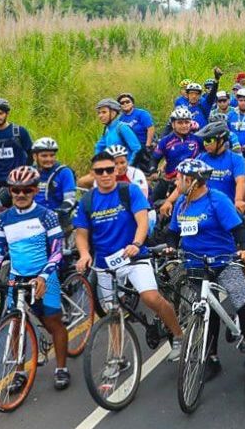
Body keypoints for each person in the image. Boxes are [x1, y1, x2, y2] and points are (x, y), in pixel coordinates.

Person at [74, 152, 182, 364]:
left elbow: (142, 222)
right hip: (105, 264)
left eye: (109, 169)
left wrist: (136, 244)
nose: (105, 174)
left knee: (151, 298)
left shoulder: (129, 191)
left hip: (133, 258)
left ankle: (178, 334)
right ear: (92, 174)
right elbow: (81, 233)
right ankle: (116, 358)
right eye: (99, 171)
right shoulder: (87, 201)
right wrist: (85, 254)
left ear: (116, 171)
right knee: (112, 312)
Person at [0, 166, 69, 389]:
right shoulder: (3, 220)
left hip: (45, 275)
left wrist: (43, 277)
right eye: (16, 190)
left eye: (27, 189)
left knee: (53, 323)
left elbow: (56, 252)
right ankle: (18, 372)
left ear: (35, 190)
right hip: (17, 277)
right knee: (15, 324)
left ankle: (61, 368)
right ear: (10, 191)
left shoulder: (47, 215)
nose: (21, 194)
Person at [165, 159, 245, 379]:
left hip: (222, 261)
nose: (176, 182)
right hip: (195, 264)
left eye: (179, 178)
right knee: (208, 311)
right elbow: (174, 231)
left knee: (240, 299)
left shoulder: (217, 200)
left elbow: (238, 228)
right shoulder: (182, 203)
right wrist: (170, 246)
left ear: (192, 181)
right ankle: (211, 358)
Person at [31, 138, 77, 215]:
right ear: (35, 157)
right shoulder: (29, 172)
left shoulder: (64, 172)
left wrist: (57, 213)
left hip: (57, 215)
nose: (49, 159)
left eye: (52, 155)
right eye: (44, 156)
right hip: (33, 215)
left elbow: (70, 200)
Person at [93, 98, 142, 163]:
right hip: (113, 170)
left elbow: (137, 149)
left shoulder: (122, 127)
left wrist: (128, 167)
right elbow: (98, 147)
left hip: (126, 170)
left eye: (104, 112)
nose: (100, 116)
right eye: (99, 113)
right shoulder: (107, 130)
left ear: (113, 113)